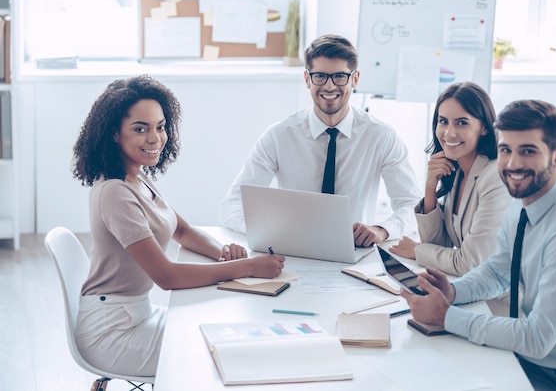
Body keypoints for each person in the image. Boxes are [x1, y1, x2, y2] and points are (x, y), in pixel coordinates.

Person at [401, 100, 556, 391]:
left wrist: (447, 317)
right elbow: (497, 271)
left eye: (528, 151)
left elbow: (537, 339)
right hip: (537, 361)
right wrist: (454, 291)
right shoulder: (523, 202)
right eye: (506, 150)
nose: (513, 163)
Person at [71, 75, 285, 377]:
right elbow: (167, 276)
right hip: (113, 332)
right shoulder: (115, 192)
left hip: (135, 314)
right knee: (226, 356)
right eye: (140, 129)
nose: (155, 138)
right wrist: (247, 268)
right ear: (115, 134)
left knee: (229, 335)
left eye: (160, 126)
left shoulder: (137, 176)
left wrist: (224, 253)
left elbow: (182, 231)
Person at [219, 34, 422, 247]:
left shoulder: (381, 137)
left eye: (340, 77)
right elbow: (232, 206)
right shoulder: (279, 136)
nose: (330, 86)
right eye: (320, 76)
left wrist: (383, 229)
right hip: (293, 250)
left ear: (355, 79)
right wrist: (273, 231)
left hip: (357, 252)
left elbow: (412, 205)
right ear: (307, 79)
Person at [389, 81, 511, 276]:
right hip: (470, 288)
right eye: (443, 121)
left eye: (462, 123)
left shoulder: (495, 178)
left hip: (502, 301)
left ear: (485, 128)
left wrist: (416, 250)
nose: (449, 133)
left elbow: (471, 263)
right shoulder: (458, 170)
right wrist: (430, 188)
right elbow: (438, 245)